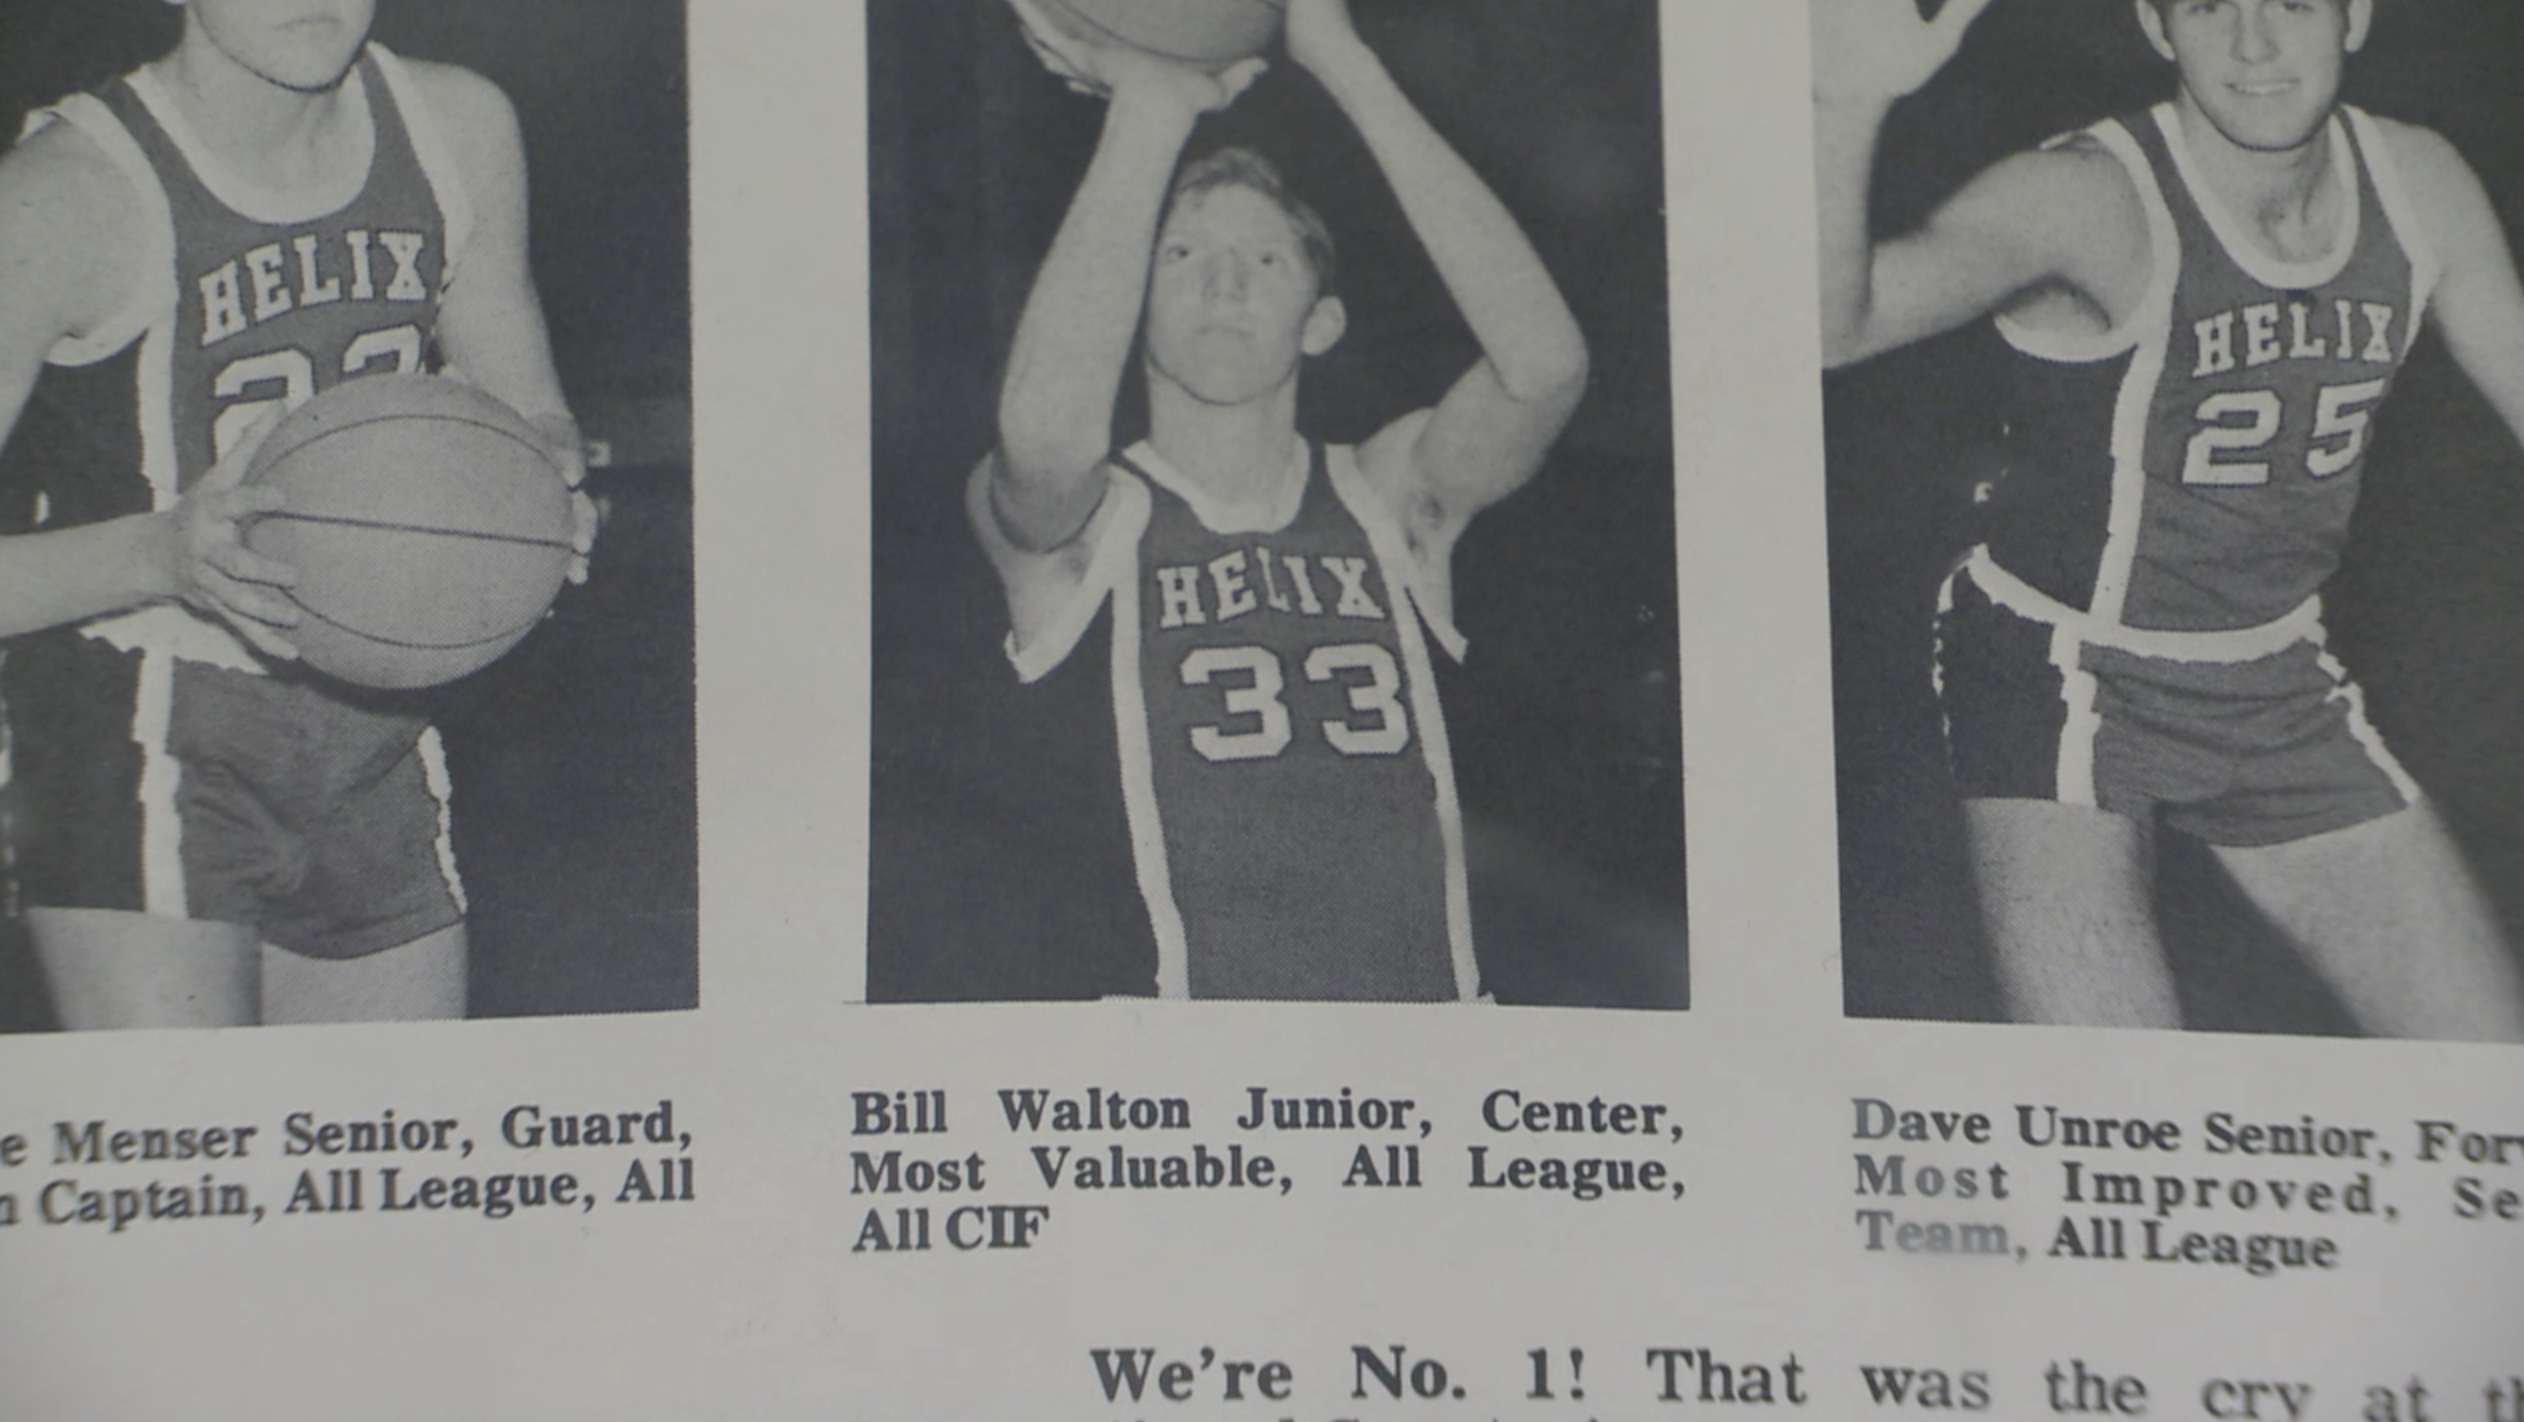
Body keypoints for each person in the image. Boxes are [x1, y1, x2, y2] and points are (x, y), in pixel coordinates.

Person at [1814, 0, 2524, 1038]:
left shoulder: (2418, 181)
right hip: (2060, 670)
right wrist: (1848, 102)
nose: (2252, 45)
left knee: (2489, 1085)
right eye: (2207, 7)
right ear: (2156, 27)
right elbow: (1839, 326)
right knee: (2108, 1099)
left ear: (2354, 15)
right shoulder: (2082, 196)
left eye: (2287, 3)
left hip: (2277, 674)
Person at [970, 0, 1589, 1000]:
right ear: (1125, 306)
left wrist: (1341, 56)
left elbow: (1543, 368)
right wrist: (1150, 109)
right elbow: (1044, 435)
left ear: (1320, 320)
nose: (1223, 284)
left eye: (1263, 259)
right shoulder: (1089, 527)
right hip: (1188, 1085)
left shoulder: (1389, 496)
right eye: (1180, 256)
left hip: (1420, 1063)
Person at [0, 0, 589, 1028]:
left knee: (396, 1158)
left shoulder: (457, 128)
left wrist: (543, 511)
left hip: (377, 721)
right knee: (191, 1165)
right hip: (139, 723)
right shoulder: (62, 199)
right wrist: (160, 554)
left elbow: (528, 419)